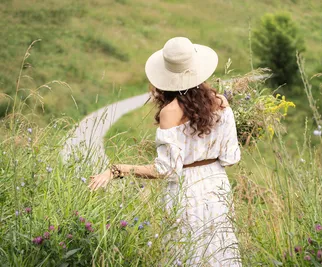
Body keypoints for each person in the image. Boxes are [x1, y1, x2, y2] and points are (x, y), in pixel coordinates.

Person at [89, 37, 242, 266]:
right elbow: (231, 158)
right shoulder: (221, 102)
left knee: (187, 253)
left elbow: (167, 170)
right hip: (217, 188)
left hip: (185, 192)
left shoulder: (170, 113)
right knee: (220, 252)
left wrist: (118, 169)